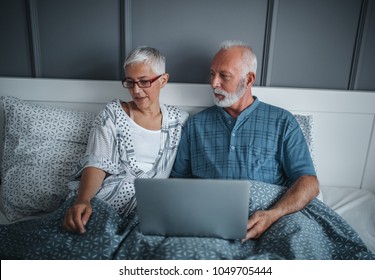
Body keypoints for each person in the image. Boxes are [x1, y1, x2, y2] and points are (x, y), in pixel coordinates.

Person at [171, 40, 319, 242]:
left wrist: (272, 215)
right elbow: (177, 184)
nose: (214, 83)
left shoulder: (283, 122)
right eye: (212, 74)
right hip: (209, 223)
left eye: (224, 76)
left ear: (249, 79)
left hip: (272, 222)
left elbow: (309, 183)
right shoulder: (196, 125)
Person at [63, 46, 189, 234]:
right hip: (106, 201)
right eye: (130, 82)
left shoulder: (180, 121)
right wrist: (83, 200)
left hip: (149, 208)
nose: (136, 91)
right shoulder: (113, 114)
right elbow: (97, 163)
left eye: (144, 82)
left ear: (163, 80)